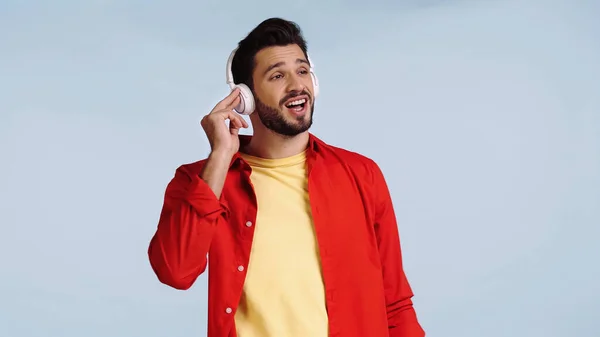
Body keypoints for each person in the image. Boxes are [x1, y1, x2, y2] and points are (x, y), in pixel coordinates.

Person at [148, 17, 425, 337]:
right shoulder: (201, 180)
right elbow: (175, 271)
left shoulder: (361, 175)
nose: (297, 85)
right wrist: (221, 156)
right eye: (278, 75)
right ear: (244, 97)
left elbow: (395, 303)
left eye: (303, 71)